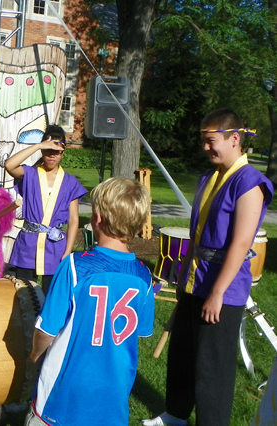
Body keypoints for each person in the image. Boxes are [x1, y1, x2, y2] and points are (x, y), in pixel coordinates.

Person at [143, 108, 274, 426]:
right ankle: (175, 414)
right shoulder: (209, 176)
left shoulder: (250, 183)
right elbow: (198, 234)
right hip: (193, 280)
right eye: (203, 140)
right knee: (183, 355)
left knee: (211, 367)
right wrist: (183, 280)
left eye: (210, 140)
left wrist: (217, 293)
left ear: (233, 139)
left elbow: (241, 244)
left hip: (222, 288)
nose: (205, 147)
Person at [24, 177, 155, 426]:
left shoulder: (75, 266)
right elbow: (139, 333)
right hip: (113, 398)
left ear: (97, 219)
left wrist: (35, 355)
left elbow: (46, 329)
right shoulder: (143, 276)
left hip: (63, 397)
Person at [5, 124, 87, 295]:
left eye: (56, 151)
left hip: (55, 247)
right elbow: (10, 165)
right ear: (42, 151)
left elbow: (73, 220)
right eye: (48, 150)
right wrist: (38, 145)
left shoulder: (70, 182)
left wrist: (68, 251)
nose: (52, 155)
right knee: (24, 293)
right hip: (28, 244)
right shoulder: (30, 174)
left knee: (52, 294)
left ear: (63, 152)